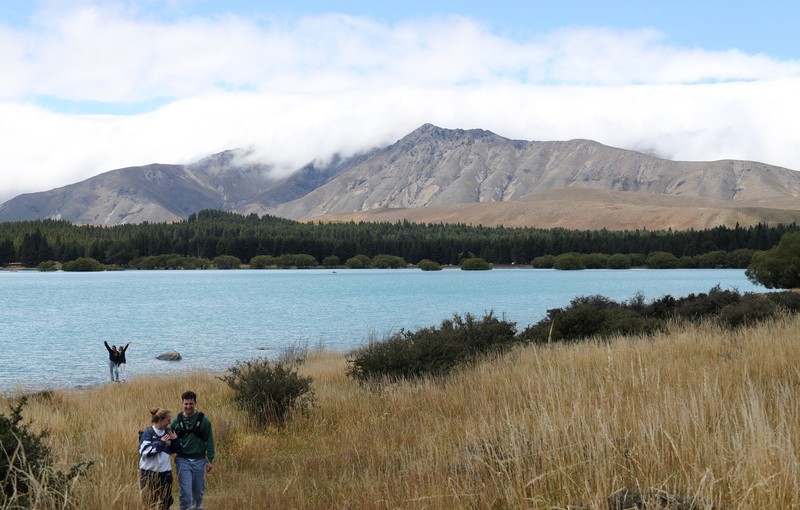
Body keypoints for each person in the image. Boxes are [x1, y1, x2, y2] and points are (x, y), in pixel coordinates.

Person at [171, 391, 215, 510]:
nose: (188, 407)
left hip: (199, 460)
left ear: (195, 403)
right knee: (185, 492)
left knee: (198, 492)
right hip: (182, 460)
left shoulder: (204, 420)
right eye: (186, 404)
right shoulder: (176, 421)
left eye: (191, 404)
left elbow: (210, 441)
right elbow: (169, 442)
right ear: (182, 403)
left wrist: (209, 459)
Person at [139, 407, 182, 509]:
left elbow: (178, 450)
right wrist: (161, 443)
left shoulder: (169, 432)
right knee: (150, 503)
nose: (169, 422)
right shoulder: (148, 433)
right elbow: (144, 452)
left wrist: (175, 440)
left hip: (165, 474)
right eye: (168, 420)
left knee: (166, 503)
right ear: (160, 420)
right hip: (149, 474)